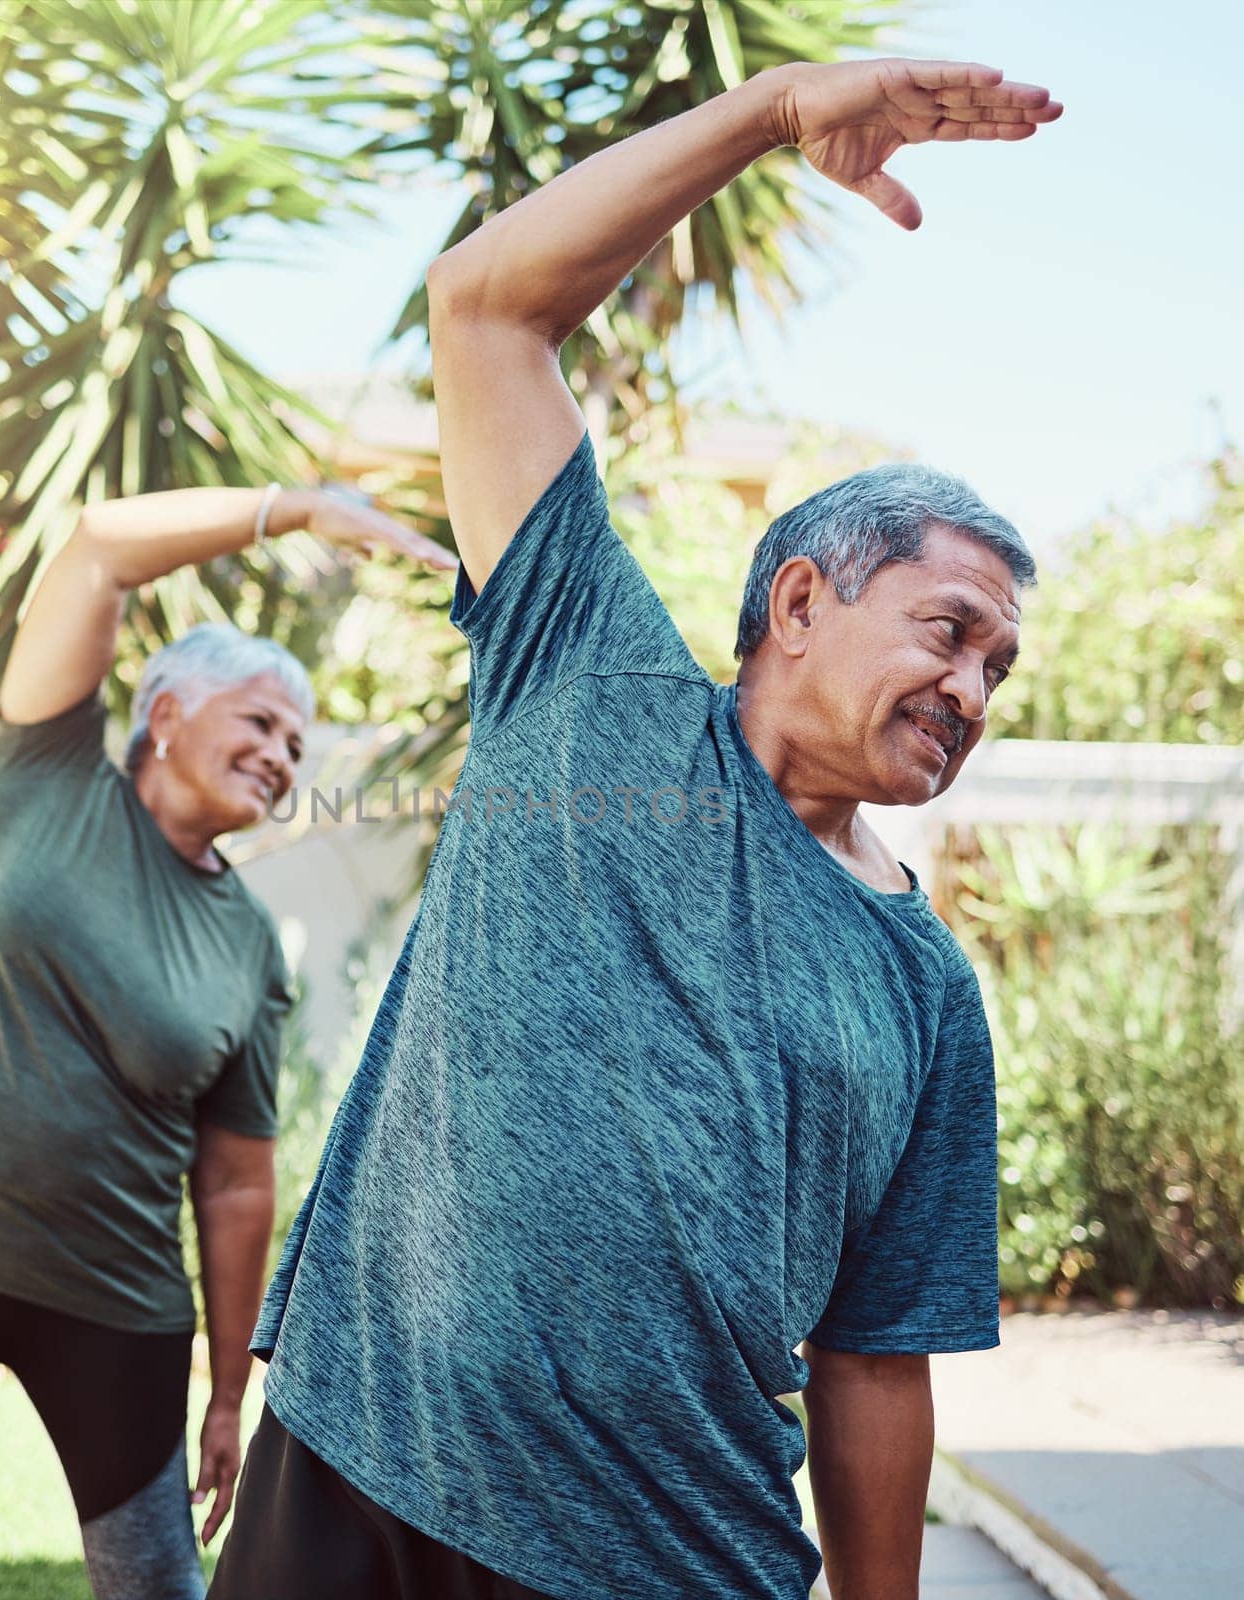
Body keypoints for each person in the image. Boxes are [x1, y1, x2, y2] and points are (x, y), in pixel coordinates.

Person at [208, 54, 1062, 1600]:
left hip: (666, 1564)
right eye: (946, 632)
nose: (971, 687)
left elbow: (874, 1360)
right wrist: (767, 112)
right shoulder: (584, 674)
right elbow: (479, 305)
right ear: (798, 600)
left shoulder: (927, 991)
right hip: (356, 1476)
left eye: (996, 666)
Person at [0, 480, 454, 1600]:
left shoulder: (248, 943)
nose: (281, 755)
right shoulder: (42, 778)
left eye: (295, 743)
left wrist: (223, 1391)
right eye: (259, 720)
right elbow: (98, 545)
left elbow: (238, 1181)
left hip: (112, 1308)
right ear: (165, 712)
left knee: (157, 1587)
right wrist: (299, 513)